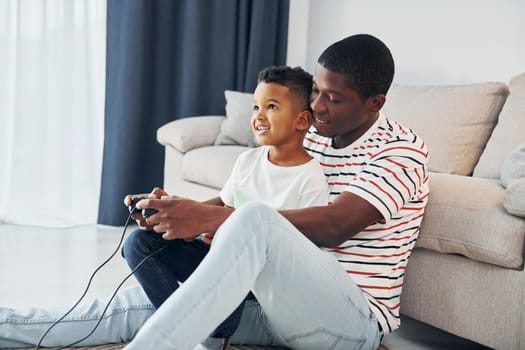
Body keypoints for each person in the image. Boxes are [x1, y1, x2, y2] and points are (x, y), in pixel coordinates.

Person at [0, 33, 429, 350]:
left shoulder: (401, 152)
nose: (316, 108)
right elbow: (238, 205)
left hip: (347, 322)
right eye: (316, 92)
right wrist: (177, 211)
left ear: (374, 103)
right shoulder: (313, 135)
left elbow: (335, 225)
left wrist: (216, 218)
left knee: (255, 218)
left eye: (333, 99)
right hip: (266, 304)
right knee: (135, 305)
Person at [0, 66, 329, 349]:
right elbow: (224, 205)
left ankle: (211, 335)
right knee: (138, 244)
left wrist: (226, 235)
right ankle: (187, 325)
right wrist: (174, 213)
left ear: (301, 120)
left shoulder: (310, 179)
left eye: (271, 107)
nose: (258, 115)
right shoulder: (249, 161)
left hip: (253, 284)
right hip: (214, 259)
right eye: (256, 106)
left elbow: (302, 252)